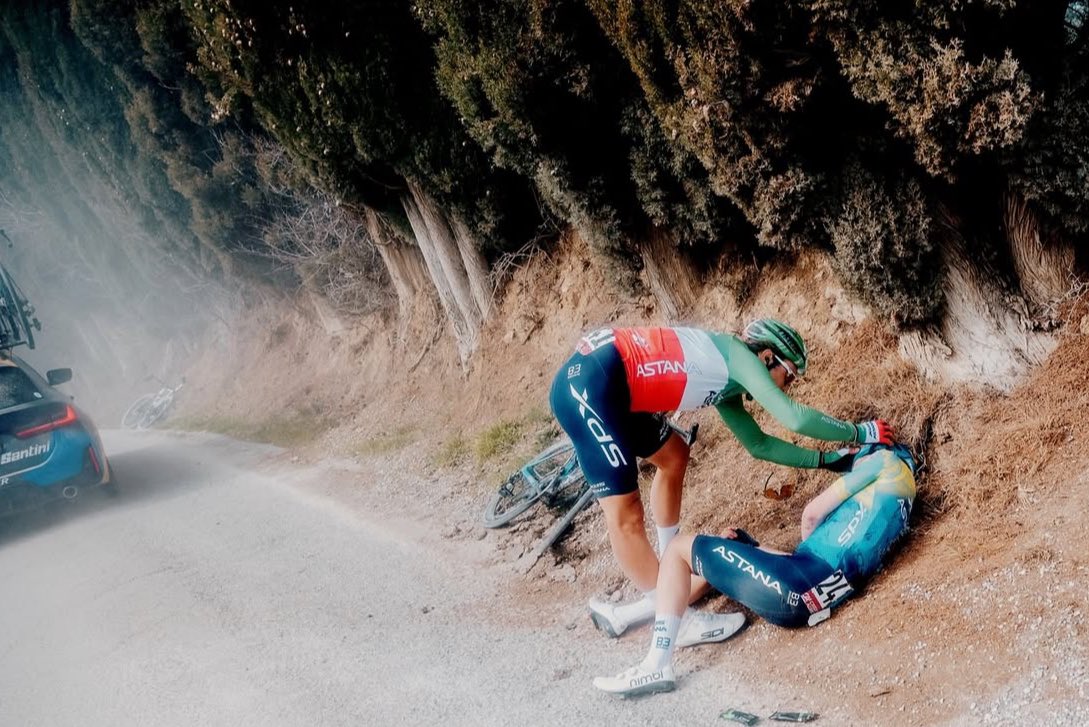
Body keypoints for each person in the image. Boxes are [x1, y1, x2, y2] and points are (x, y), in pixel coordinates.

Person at [548, 320, 894, 648]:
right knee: (625, 515)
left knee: (674, 455)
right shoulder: (739, 358)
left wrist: (827, 460)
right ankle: (675, 620)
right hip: (591, 385)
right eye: (788, 375)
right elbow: (793, 417)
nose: (787, 386)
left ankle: (670, 570)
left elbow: (758, 445)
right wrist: (860, 431)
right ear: (767, 357)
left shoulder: (727, 381)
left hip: (615, 383)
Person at [592, 442, 918, 697]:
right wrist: (754, 547)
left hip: (792, 586)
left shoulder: (883, 462)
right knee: (716, 558)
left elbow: (810, 515)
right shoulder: (902, 499)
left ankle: (657, 664)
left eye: (858, 457)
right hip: (808, 600)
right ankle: (632, 614)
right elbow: (803, 565)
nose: (854, 464)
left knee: (678, 549)